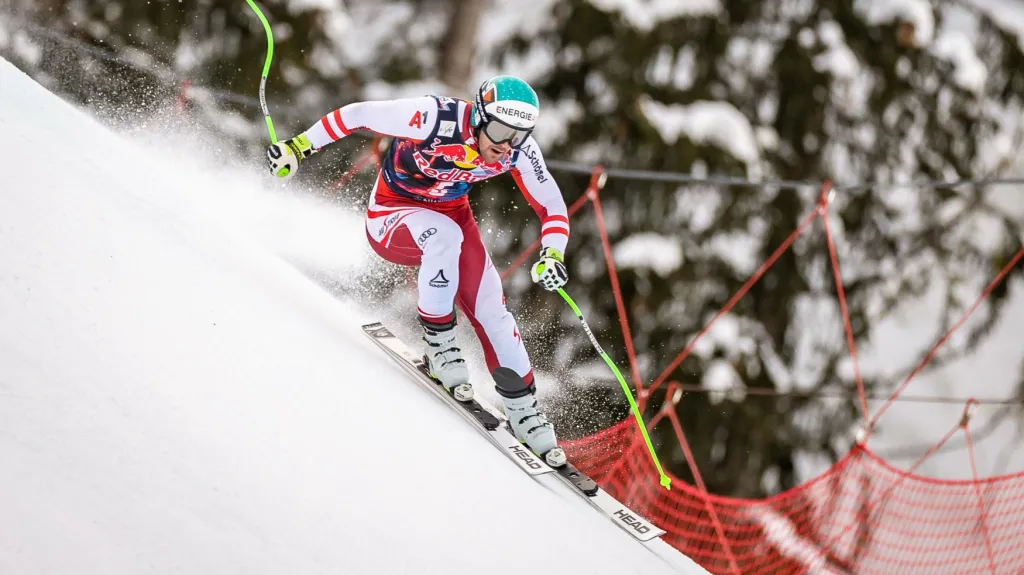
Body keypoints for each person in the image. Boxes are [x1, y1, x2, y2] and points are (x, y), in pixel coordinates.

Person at [266, 75, 570, 466]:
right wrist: (299, 147)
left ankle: (525, 411)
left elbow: (552, 205)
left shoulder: (519, 152)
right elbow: (358, 115)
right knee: (444, 236)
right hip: (393, 216)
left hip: (453, 219)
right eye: (497, 129)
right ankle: (441, 344)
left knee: (491, 304)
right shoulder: (433, 117)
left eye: (519, 135)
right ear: (478, 116)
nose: (504, 143)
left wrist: (553, 253)